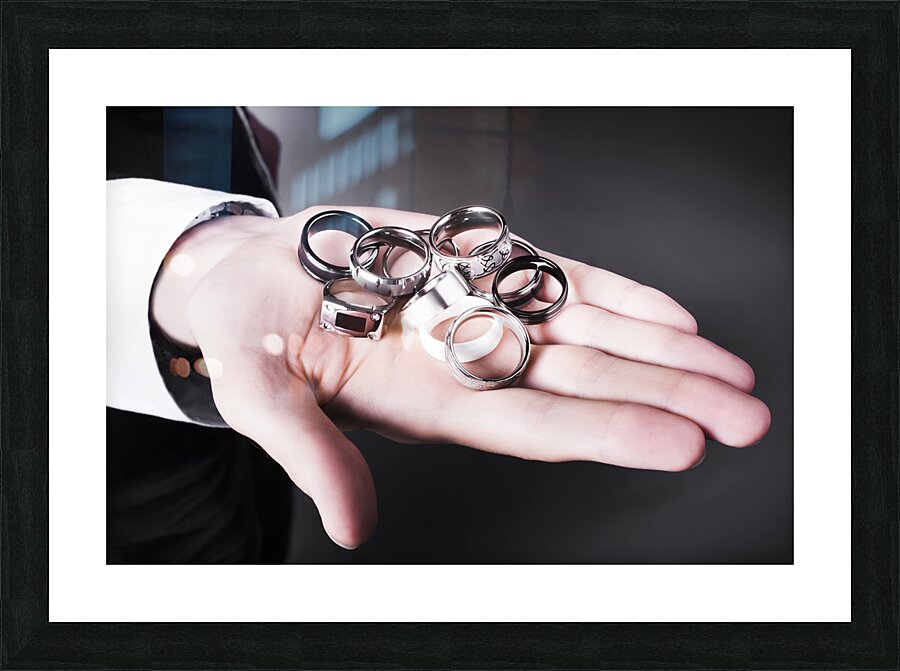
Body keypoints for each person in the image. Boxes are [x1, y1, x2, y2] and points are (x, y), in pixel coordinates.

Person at [107, 178, 771, 555]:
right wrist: (181, 273)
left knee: (259, 519)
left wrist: (220, 237)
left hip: (234, 355)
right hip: (130, 481)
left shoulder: (456, 284)